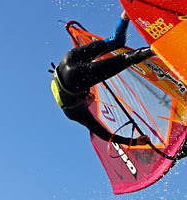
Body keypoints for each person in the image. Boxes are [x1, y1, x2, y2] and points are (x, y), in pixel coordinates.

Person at [50, 11, 155, 145]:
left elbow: (104, 134)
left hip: (73, 77)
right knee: (116, 40)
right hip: (68, 59)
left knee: (125, 59)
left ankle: (154, 50)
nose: (90, 99)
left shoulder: (75, 114)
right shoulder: (70, 101)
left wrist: (134, 142)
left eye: (88, 102)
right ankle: (125, 15)